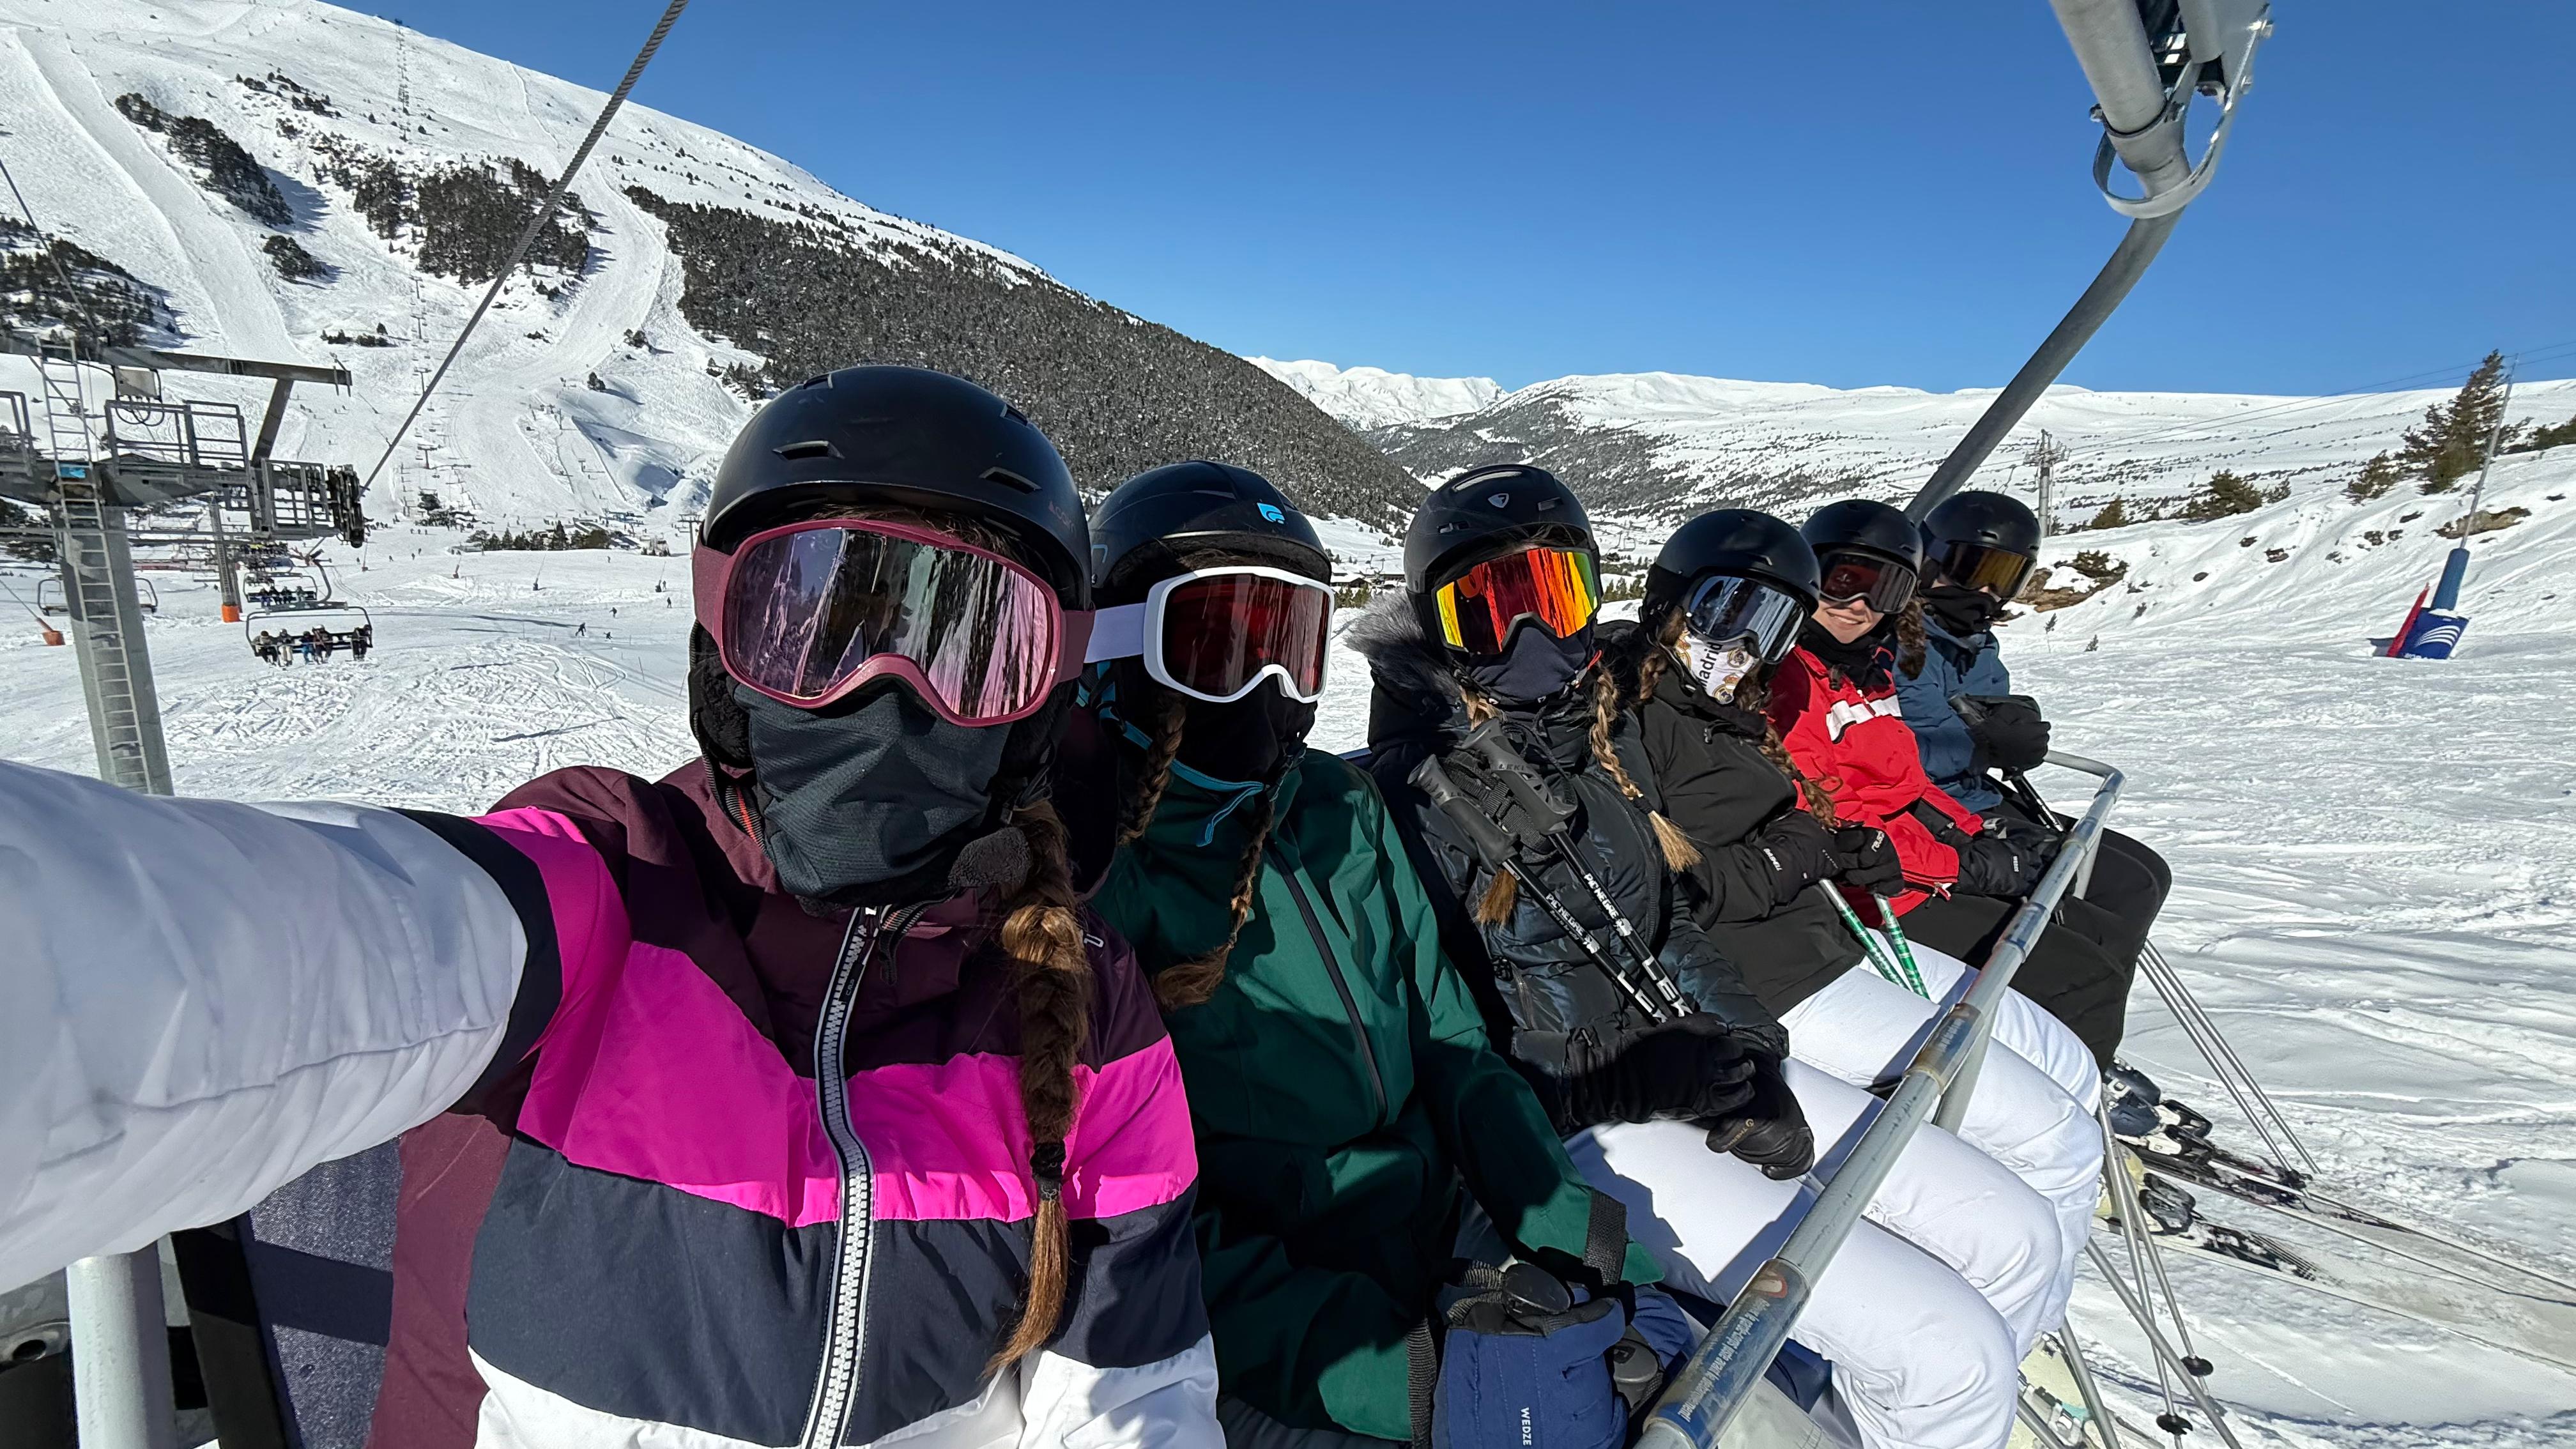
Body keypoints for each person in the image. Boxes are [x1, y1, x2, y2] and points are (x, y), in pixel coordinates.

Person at [0, 367, 1220, 1447]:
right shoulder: (606, 887)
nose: (885, 689)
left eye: (973, 642)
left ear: (1039, 703)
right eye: (813, 624)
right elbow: (295, 946)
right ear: (721, 654)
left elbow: (1132, 1398)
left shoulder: (1087, 1004)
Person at [1356, 465, 2055, 1449]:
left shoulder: (1590, 744)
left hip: (1685, 1071)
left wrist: (1749, 1049)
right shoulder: (1400, 804)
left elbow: (1671, 924)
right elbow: (1456, 1053)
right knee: (1951, 1353)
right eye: (1489, 608)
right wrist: (1640, 1079)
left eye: (1555, 596)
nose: (1531, 636)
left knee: (2009, 1234)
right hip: (1576, 1136)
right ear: (1436, 624)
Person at [1074, 462, 1680, 1448]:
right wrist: (1401, 1372)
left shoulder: (1338, 807)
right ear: (1115, 647)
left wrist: (1560, 1219)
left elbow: (1452, 1044)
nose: (1267, 684)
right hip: (1280, 1340)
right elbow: (1131, 1226)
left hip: (1440, 1235)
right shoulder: (1095, 880)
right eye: (1216, 643)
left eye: (1290, 643)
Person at [1609, 507, 2104, 1321]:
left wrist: (1929, 843)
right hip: (1779, 981)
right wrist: (1804, 852)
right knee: (2050, 1150)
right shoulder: (1630, 717)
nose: (1743, 643)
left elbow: (1864, 799)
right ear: (1671, 600)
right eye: (1726, 610)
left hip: (1830, 938)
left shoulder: (1743, 705)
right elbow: (1668, 886)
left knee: (2069, 1074)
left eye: (1773, 623)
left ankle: (2020, 1317)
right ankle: (2004, 1326)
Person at [1768, 497, 2133, 1078]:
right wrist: (1963, 868)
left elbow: (1909, 782)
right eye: (1844, 582)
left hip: (1912, 870)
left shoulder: (1866, 672)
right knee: (2079, 976)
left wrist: (1974, 834)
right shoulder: (1785, 682)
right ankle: (2047, 1097)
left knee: (2089, 929)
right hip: (1874, 891)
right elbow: (1838, 815)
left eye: (1885, 591)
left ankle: (2059, 1073)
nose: (1861, 606)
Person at [1895, 490, 2172, 1082]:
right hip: (1933, 812)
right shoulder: (1899, 644)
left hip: (1974, 798)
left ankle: (2068, 1040)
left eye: (2005, 577)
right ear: (1931, 561)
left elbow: (1979, 714)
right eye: (1973, 568)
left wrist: (2011, 726)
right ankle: (2057, 1050)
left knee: (2139, 878)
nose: (1986, 590)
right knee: (2084, 940)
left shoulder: (1972, 642)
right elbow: (1900, 749)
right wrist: (1984, 744)